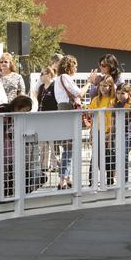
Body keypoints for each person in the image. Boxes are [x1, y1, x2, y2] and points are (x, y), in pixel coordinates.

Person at [53, 55, 81, 189]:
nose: (76, 68)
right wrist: (88, 82)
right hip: (68, 111)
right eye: (74, 65)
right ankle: (63, 178)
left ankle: (66, 177)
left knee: (68, 148)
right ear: (68, 66)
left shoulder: (58, 79)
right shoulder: (65, 77)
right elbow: (79, 93)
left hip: (62, 111)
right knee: (69, 149)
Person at [88, 76, 117, 186]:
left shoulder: (113, 100)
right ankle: (92, 180)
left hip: (109, 132)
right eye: (100, 85)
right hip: (98, 131)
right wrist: (91, 132)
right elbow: (93, 117)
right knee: (95, 156)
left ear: (110, 86)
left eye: (105, 85)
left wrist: (111, 133)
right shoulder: (96, 100)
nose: (102, 88)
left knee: (109, 156)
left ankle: (109, 179)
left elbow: (115, 118)